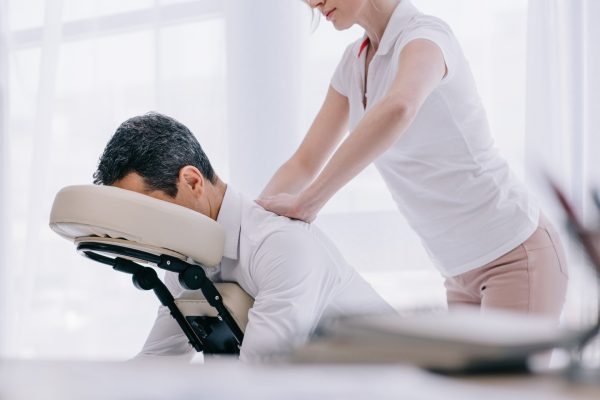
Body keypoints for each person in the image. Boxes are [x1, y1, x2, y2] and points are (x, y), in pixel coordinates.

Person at [257, 0, 568, 319]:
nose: (312, 2)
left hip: (514, 254)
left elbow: (399, 107)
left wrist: (308, 202)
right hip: (457, 273)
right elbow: (305, 162)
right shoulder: (353, 63)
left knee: (504, 373)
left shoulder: (427, 37)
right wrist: (251, 224)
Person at [92, 112, 393, 362]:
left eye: (146, 211)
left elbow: (257, 381)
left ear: (192, 181)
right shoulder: (186, 257)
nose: (143, 230)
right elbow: (159, 360)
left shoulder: (279, 246)